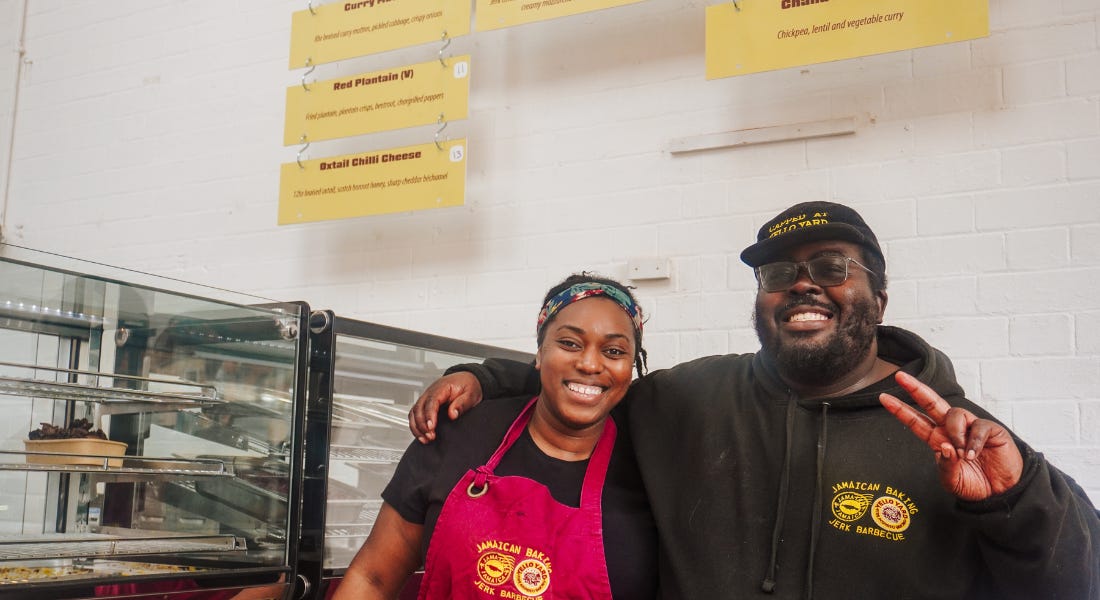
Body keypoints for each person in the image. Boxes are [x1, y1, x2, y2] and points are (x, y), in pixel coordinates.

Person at [408, 202, 1100, 599]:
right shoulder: (691, 398)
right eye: (779, 273)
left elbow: (1076, 584)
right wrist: (484, 376)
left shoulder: (953, 437)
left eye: (832, 267)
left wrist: (1016, 500)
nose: (803, 285)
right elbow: (590, 378)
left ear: (878, 299)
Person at [334, 274, 658, 600]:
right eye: (569, 343)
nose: (589, 363)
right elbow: (372, 578)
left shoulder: (651, 472)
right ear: (539, 353)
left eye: (614, 351)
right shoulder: (459, 437)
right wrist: (482, 376)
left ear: (631, 367)